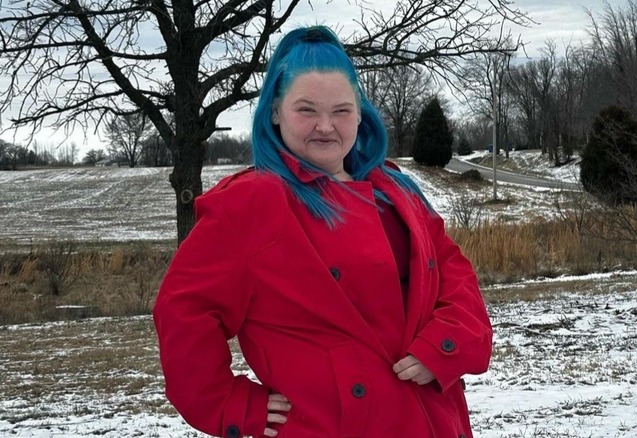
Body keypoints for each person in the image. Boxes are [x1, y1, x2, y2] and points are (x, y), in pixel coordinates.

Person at [153, 25, 492, 438]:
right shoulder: (251, 204)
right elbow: (183, 312)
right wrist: (230, 404)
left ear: (360, 113)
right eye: (307, 110)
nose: (326, 127)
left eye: (341, 110)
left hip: (435, 417)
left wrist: (445, 346)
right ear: (275, 111)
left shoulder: (394, 187)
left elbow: (455, 278)